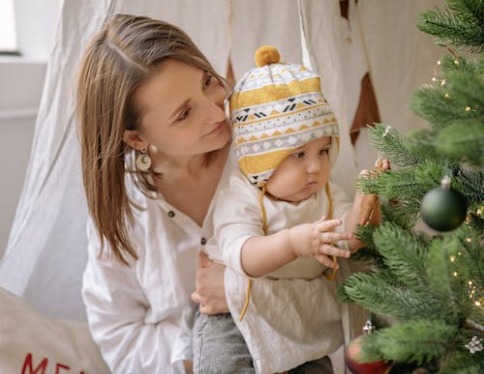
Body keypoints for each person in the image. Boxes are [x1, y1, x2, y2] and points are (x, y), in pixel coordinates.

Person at [195, 46, 389, 374]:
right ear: (259, 161)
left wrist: (363, 207)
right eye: (298, 155)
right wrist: (294, 242)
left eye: (324, 150)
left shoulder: (327, 196)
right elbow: (245, 258)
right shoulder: (241, 196)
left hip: (299, 324)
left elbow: (347, 238)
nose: (316, 167)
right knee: (224, 365)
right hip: (233, 318)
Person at [77, 14, 236, 374]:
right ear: (137, 139)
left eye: (208, 81)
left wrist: (249, 300)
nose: (217, 111)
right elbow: (117, 332)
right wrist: (200, 352)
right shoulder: (125, 209)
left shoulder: (266, 152)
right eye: (184, 114)